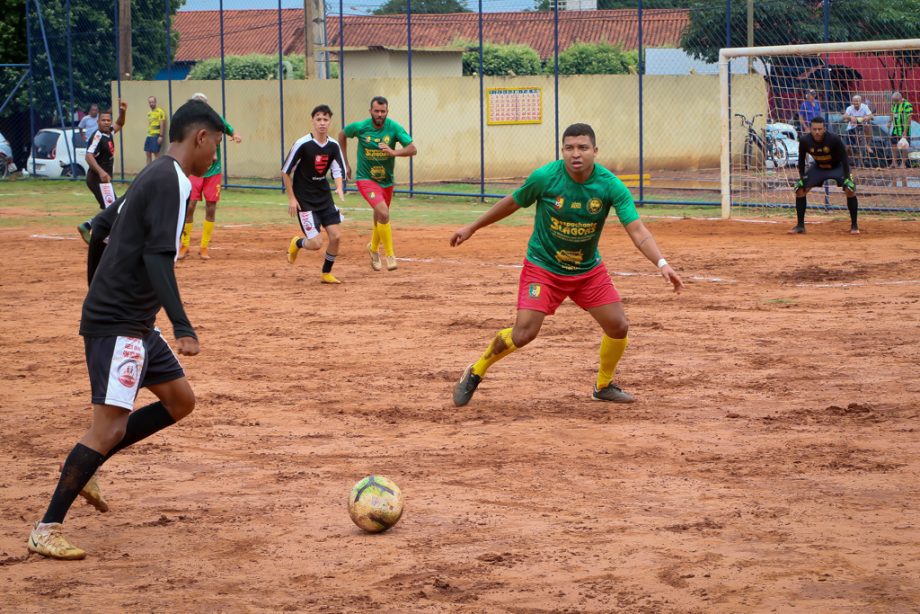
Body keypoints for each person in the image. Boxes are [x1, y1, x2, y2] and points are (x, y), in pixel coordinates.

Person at [26, 99, 226, 560]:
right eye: (215, 143)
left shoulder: (152, 173)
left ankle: (90, 466)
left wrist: (96, 291)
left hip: (128, 320)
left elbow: (98, 226)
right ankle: (47, 526)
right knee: (108, 428)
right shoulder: (173, 179)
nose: (215, 153)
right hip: (122, 324)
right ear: (199, 137)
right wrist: (182, 325)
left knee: (180, 401)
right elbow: (158, 257)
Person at [450, 123, 683, 407]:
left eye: (583, 148)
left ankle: (603, 385)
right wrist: (473, 227)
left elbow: (637, 230)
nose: (576, 154)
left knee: (618, 326)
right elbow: (513, 202)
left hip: (587, 272)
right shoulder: (546, 177)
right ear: (562, 151)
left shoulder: (610, 186)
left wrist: (662, 263)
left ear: (595, 151)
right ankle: (476, 371)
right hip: (544, 267)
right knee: (524, 333)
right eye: (569, 148)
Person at [338, 96, 417, 272]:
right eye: (376, 111)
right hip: (366, 179)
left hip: (386, 181)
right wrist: (345, 163)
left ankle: (373, 249)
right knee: (383, 212)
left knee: (381, 216)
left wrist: (394, 152)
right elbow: (342, 134)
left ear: (387, 112)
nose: (379, 114)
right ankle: (390, 255)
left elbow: (413, 149)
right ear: (370, 111)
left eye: (383, 111)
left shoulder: (394, 128)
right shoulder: (361, 127)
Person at [283, 104, 347, 284]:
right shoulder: (302, 144)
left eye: (325, 119)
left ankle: (326, 273)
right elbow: (285, 171)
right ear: (312, 121)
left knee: (336, 236)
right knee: (316, 243)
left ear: (330, 122)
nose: (322, 123)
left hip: (324, 197)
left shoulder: (333, 145)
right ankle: (297, 243)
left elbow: (337, 169)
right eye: (318, 119)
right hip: (305, 200)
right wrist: (292, 198)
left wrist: (339, 187)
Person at [178, 93, 242, 261]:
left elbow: (229, 129)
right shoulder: (188, 122)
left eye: (202, 104)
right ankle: (184, 244)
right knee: (190, 205)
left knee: (211, 206)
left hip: (213, 170)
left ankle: (204, 247)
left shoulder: (215, 119)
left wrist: (234, 135)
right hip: (195, 169)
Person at [791, 116, 859, 235]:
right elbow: (801, 160)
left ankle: (854, 226)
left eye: (820, 129)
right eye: (814, 129)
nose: (817, 132)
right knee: (800, 190)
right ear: (810, 129)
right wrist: (802, 178)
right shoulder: (804, 141)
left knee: (850, 189)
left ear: (824, 129)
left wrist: (848, 177)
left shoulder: (834, 139)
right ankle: (800, 226)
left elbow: (844, 158)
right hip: (818, 168)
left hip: (837, 167)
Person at [76, 101, 127, 244]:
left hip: (102, 179)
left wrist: (123, 112)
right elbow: (88, 156)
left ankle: (87, 226)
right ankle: (104, 235)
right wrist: (101, 172)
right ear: (98, 122)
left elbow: (120, 124)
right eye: (103, 120)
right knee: (113, 209)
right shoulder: (97, 136)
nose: (106, 122)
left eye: (108, 120)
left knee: (111, 208)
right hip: (96, 178)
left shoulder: (108, 132)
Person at [844, 94, 874, 163]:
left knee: (868, 126)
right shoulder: (849, 108)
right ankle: (851, 159)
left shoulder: (864, 107)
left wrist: (867, 117)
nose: (856, 103)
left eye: (857, 101)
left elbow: (871, 116)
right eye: (854, 101)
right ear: (852, 102)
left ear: (860, 101)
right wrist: (850, 117)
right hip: (852, 127)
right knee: (848, 147)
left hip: (862, 127)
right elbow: (844, 117)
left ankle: (867, 145)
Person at [890, 92, 913, 169]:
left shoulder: (907, 105)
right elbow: (892, 114)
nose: (895, 103)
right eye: (894, 101)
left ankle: (903, 163)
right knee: (893, 145)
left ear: (900, 99)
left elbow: (909, 119)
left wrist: (905, 131)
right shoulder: (894, 104)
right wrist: (889, 122)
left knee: (904, 146)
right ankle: (894, 163)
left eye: (896, 101)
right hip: (895, 129)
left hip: (904, 130)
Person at [144, 95, 167, 165]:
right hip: (149, 135)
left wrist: (161, 136)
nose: (151, 104)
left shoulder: (160, 112)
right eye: (150, 102)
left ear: (155, 102)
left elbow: (162, 124)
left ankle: (157, 170)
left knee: (156, 154)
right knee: (148, 153)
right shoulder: (149, 113)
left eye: (152, 102)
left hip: (156, 136)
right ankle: (148, 170)